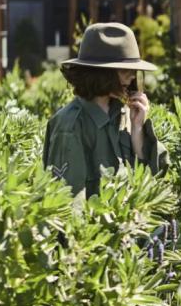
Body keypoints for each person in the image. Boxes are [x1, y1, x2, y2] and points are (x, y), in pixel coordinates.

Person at [43, 22, 168, 198]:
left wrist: (138, 130)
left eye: (134, 71)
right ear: (102, 73)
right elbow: (67, 204)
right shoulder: (70, 126)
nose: (132, 76)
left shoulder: (125, 114)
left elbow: (150, 186)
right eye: (125, 70)